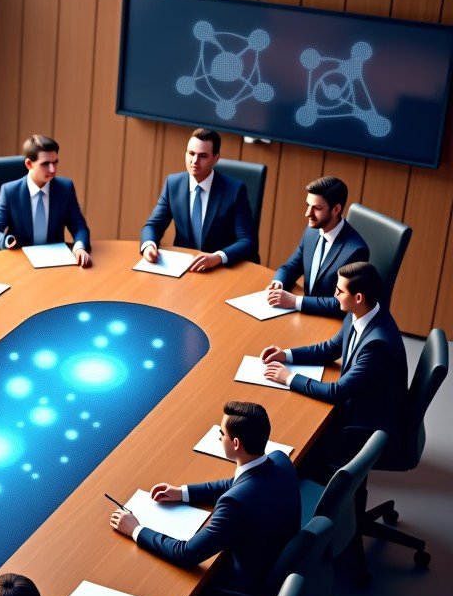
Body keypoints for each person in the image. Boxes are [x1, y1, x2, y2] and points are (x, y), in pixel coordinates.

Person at [109, 402, 300, 596]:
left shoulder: (234, 503)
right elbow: (236, 483)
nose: (219, 438)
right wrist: (183, 493)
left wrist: (135, 530)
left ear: (236, 443)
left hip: (245, 586)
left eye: (222, 434)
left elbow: (186, 554)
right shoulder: (280, 459)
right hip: (279, 559)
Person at [262, 260, 408, 449]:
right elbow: (330, 349)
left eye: (339, 291)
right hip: (355, 402)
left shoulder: (377, 344)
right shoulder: (362, 312)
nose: (334, 295)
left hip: (364, 427)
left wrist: (289, 378)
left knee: (294, 434)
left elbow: (338, 392)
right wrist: (286, 355)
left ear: (358, 297)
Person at [140, 127, 256, 272]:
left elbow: (247, 241)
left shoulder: (235, 190)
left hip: (219, 269)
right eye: (191, 153)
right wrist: (148, 245)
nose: (195, 161)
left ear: (216, 158)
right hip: (183, 266)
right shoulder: (173, 184)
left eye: (203, 156)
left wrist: (217, 257)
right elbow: (153, 225)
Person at [266, 176, 369, 318]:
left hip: (330, 322)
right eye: (308, 205)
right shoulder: (312, 231)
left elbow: (343, 304)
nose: (308, 213)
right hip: (305, 314)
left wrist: (295, 301)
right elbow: (290, 267)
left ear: (336, 209)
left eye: (317, 208)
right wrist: (278, 283)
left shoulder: (356, 251)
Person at [0, 134, 92, 266]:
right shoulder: (10, 191)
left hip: (55, 261)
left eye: (55, 162)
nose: (52, 170)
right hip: (21, 261)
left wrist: (79, 247)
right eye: (46, 164)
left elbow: (79, 227)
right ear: (29, 164)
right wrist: (7, 241)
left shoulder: (66, 188)